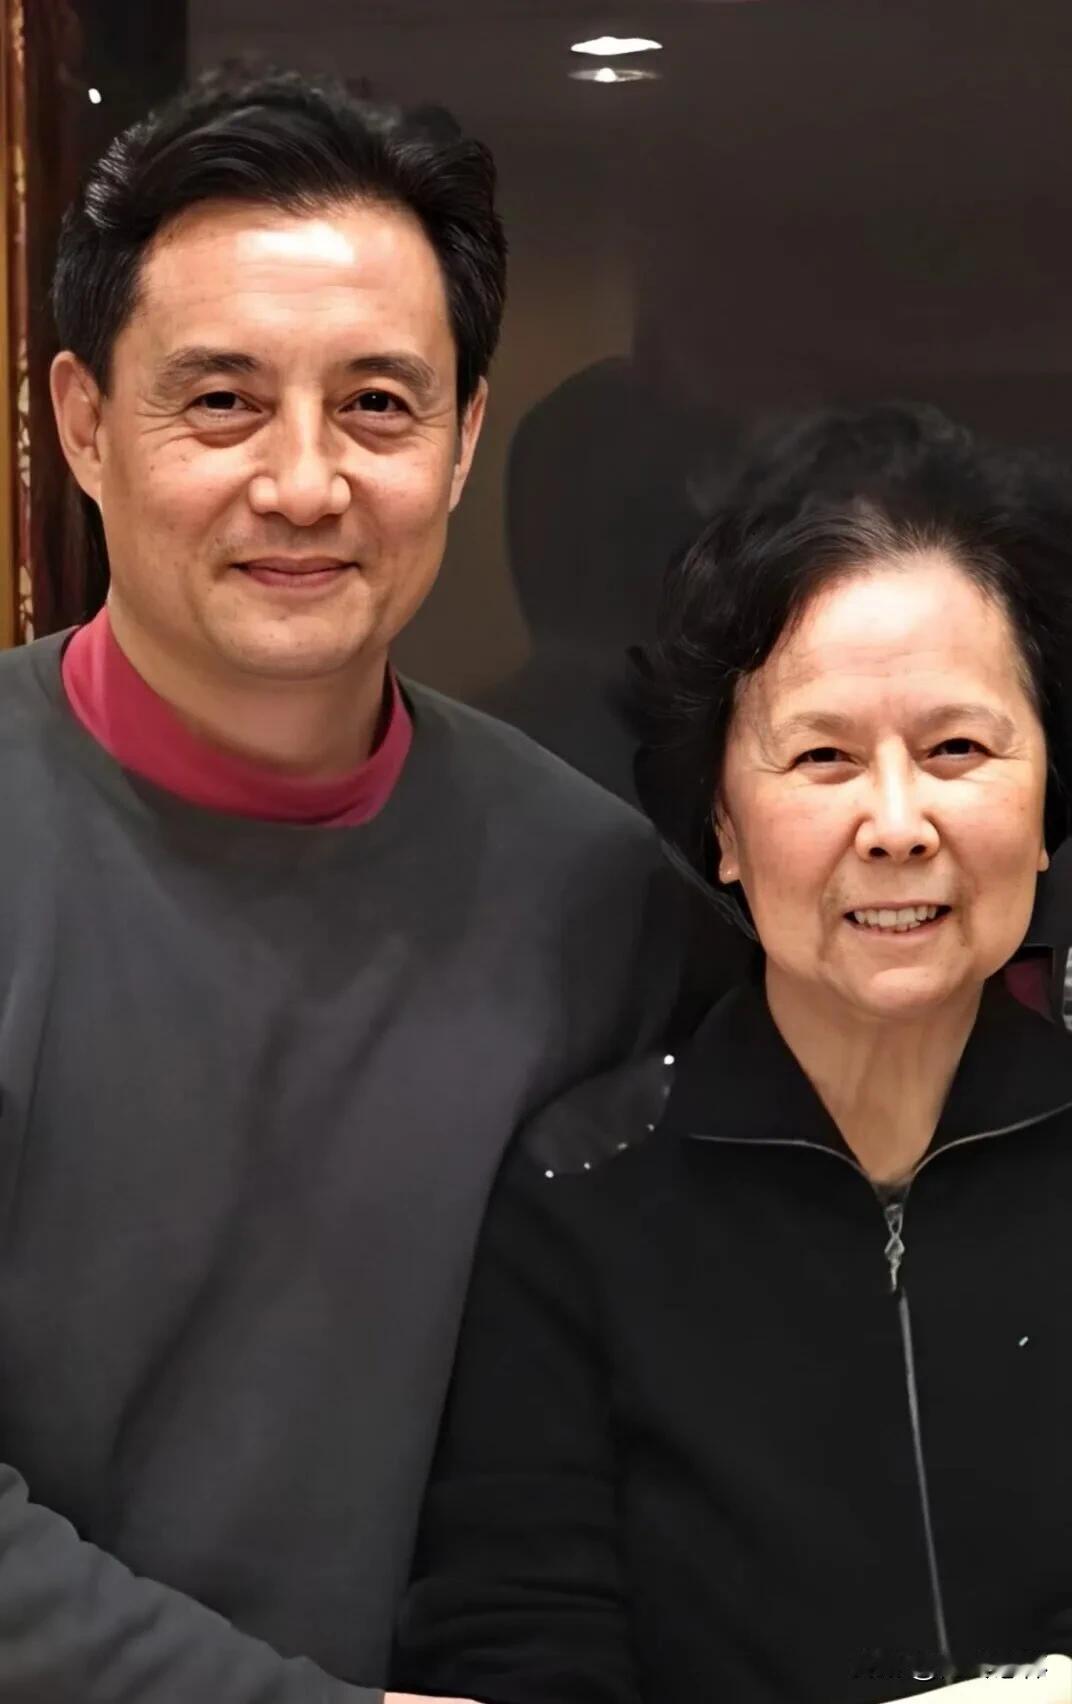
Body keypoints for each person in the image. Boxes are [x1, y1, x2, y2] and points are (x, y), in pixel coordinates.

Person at [0, 66, 694, 1703]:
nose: (304, 483)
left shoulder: (597, 897)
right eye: (221, 402)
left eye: (378, 405)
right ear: (83, 424)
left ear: (461, 445)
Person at [396, 404, 1072, 1703]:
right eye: (822, 756)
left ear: (1046, 800)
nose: (897, 822)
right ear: (719, 820)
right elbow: (521, 1647)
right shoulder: (580, 1202)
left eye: (957, 749)